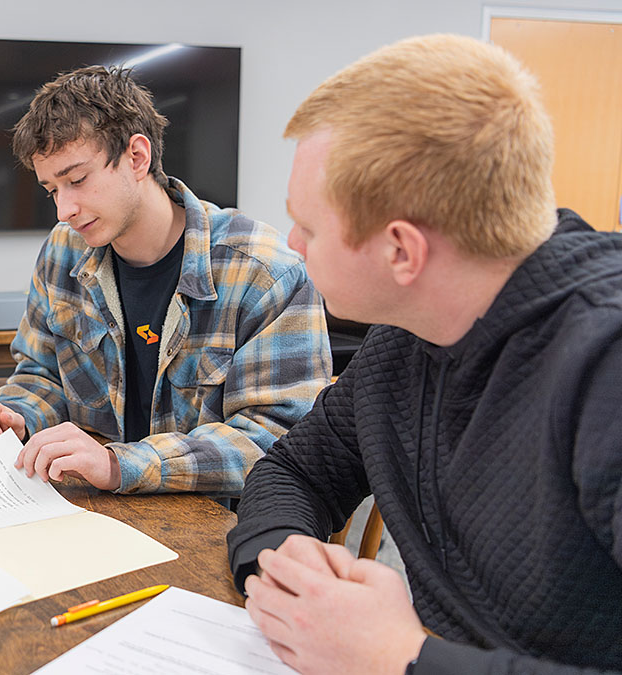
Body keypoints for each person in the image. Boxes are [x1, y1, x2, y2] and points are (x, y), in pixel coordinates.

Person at [227, 34, 622, 674]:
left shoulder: (604, 368)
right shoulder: (404, 338)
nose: (293, 244)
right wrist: (283, 558)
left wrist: (399, 657)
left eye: (311, 226)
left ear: (402, 252)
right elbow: (293, 473)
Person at [0, 66, 331, 496]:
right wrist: (16, 414)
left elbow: (277, 440)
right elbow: (42, 373)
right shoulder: (63, 251)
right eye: (52, 190)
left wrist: (121, 464)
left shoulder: (263, 272)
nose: (64, 210)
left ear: (138, 157)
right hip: (92, 506)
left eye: (77, 180)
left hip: (215, 526)